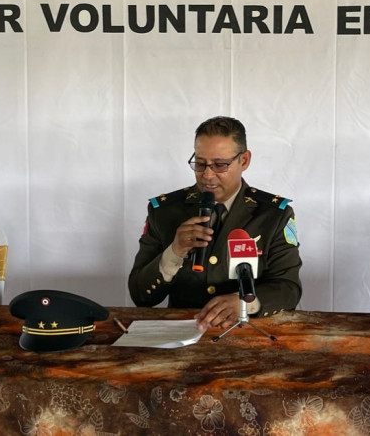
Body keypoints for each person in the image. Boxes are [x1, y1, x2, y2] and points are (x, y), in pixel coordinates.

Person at [129, 116, 302, 330]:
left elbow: (289, 288)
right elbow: (140, 296)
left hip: (248, 331)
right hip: (184, 331)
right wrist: (174, 252)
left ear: (244, 160)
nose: (207, 175)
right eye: (200, 164)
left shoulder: (273, 215)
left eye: (220, 165)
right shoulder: (164, 212)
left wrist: (245, 304)